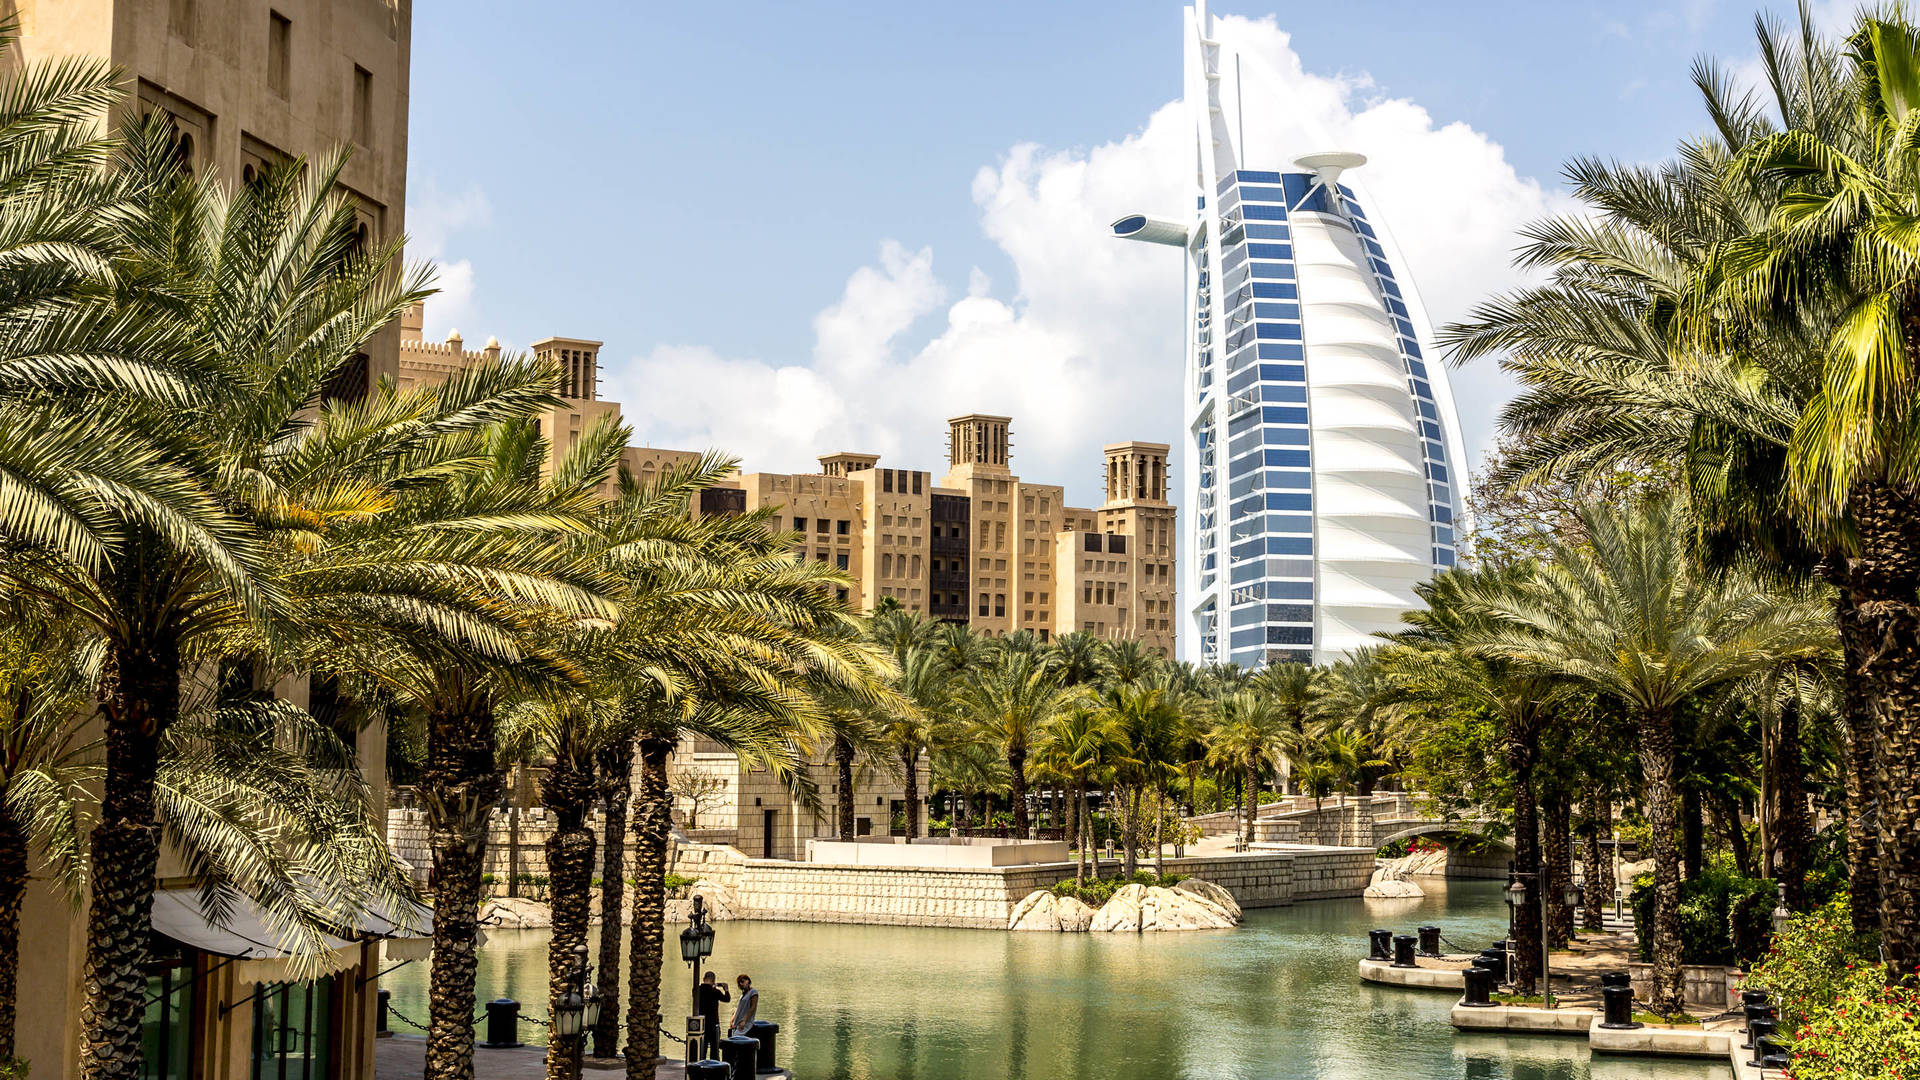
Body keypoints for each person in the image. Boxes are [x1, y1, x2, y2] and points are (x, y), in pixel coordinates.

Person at [695, 971, 730, 1060]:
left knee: (702, 1049)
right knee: (714, 1049)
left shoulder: (696, 990)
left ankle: (702, 1066)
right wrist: (726, 989)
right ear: (714, 980)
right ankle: (714, 1068)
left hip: (701, 1024)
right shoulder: (715, 991)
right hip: (713, 1023)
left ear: (703, 979)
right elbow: (727, 999)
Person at [728, 973, 758, 1038]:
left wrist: (744, 1021)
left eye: (742, 981)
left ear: (748, 981)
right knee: (734, 1038)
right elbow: (738, 1008)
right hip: (737, 1022)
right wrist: (732, 1020)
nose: (741, 984)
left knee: (735, 1038)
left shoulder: (753, 992)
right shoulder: (742, 995)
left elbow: (753, 1007)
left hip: (746, 1023)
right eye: (739, 983)